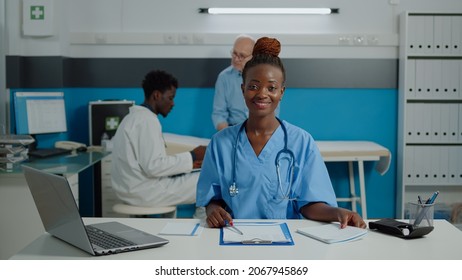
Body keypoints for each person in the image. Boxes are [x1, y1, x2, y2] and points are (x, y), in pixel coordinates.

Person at [196, 37, 366, 229]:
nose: (262, 93)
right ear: (243, 89)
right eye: (253, 86)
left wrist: (338, 212)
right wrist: (212, 210)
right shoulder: (221, 143)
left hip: (285, 241)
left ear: (282, 92)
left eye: (272, 87)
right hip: (234, 236)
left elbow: (309, 204)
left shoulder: (301, 142)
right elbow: (213, 198)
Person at [111, 70, 207, 211]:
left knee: (200, 175)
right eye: (170, 98)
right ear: (156, 95)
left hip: (131, 189)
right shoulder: (147, 120)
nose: (173, 103)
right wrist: (193, 155)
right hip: (145, 192)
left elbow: (149, 163)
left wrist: (189, 163)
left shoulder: (131, 118)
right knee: (210, 179)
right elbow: (154, 166)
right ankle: (204, 218)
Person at [211, 35, 255, 131]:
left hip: (259, 132)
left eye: (242, 56)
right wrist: (229, 137)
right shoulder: (224, 77)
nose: (236, 59)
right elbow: (219, 114)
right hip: (233, 131)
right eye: (234, 53)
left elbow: (271, 114)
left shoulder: (264, 77)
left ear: (253, 57)